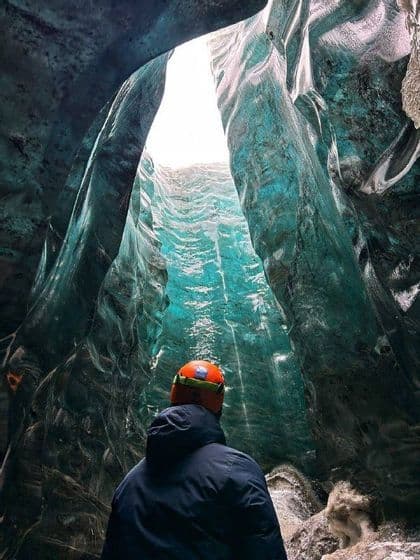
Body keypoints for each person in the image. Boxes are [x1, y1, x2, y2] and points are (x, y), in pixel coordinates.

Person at [101, 360, 287, 559]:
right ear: (219, 404)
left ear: (174, 395)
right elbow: (265, 549)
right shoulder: (237, 470)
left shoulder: (129, 483)